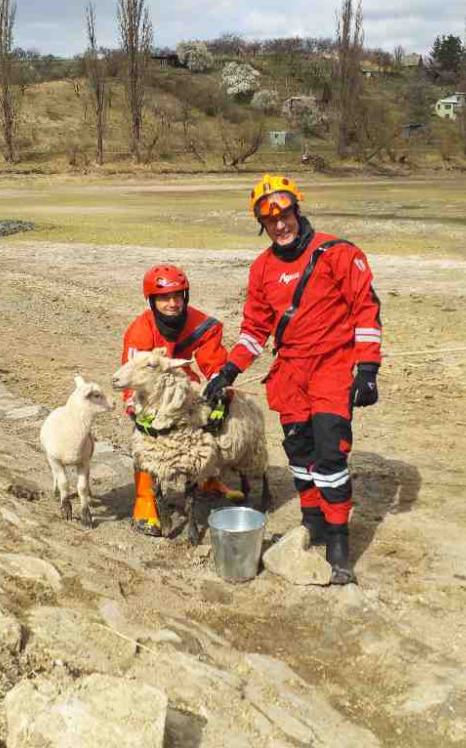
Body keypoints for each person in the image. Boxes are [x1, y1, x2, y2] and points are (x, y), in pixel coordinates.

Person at [203, 174, 382, 584]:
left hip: (332, 367)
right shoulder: (262, 268)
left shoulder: (339, 253)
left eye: (285, 215)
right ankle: (312, 519)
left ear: (297, 211)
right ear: (262, 225)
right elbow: (254, 330)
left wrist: (368, 369)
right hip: (289, 373)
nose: (280, 225)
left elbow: (366, 310)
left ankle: (338, 539)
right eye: (270, 221)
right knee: (300, 452)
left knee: (331, 454)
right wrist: (228, 371)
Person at [122, 264, 242, 536]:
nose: (173, 303)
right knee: (145, 442)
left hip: (182, 383)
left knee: (210, 425)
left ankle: (207, 478)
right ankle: (144, 502)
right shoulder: (141, 331)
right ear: (152, 301)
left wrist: (219, 386)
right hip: (150, 391)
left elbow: (213, 360)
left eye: (178, 296)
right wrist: (133, 405)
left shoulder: (201, 325)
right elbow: (133, 375)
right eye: (164, 297)